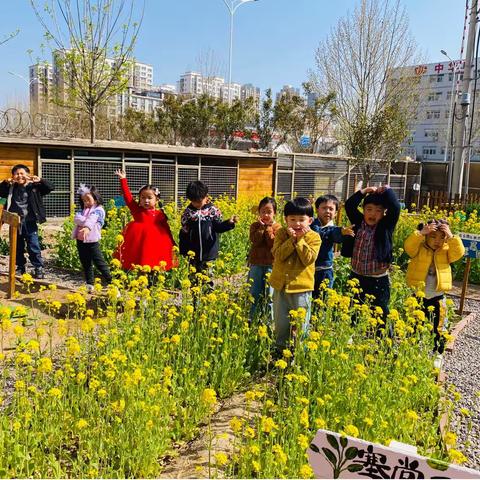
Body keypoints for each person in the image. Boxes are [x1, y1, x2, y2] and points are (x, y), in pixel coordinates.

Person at [341, 184, 401, 326]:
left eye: (378, 211)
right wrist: (364, 191)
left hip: (378, 279)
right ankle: (354, 340)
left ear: (384, 213)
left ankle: (384, 344)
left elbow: (396, 208)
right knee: (354, 311)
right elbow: (349, 205)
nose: (372, 214)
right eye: (369, 209)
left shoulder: (386, 226)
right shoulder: (358, 221)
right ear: (363, 210)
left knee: (380, 314)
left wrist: (387, 189)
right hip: (356, 276)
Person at [269, 197, 321, 352]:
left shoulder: (314, 237)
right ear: (286, 220)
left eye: (301, 220)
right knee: (281, 322)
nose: (297, 224)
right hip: (280, 286)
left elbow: (308, 259)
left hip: (301, 288)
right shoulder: (281, 234)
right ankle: (280, 350)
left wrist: (299, 241)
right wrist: (291, 240)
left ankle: (301, 351)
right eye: (292, 219)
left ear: (310, 220)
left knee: (301, 323)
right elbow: (278, 255)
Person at [404, 219, 465, 353]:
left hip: (438, 296)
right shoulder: (419, 247)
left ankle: (438, 351)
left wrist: (451, 236)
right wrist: (420, 233)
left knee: (440, 326)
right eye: (433, 236)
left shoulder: (446, 251)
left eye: (442, 237)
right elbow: (408, 247)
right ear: (426, 236)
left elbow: (459, 253)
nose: (437, 241)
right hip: (417, 296)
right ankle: (410, 351)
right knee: (413, 324)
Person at [113, 169, 176, 271]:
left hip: (156, 242)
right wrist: (123, 179)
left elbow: (167, 229)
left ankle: (152, 276)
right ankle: (139, 276)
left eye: (149, 198)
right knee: (138, 257)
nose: (146, 200)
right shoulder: (137, 210)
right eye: (143, 197)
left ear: (157, 199)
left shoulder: (160, 214)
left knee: (154, 259)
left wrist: (172, 242)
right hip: (138, 240)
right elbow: (128, 197)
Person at [0, 164, 54, 279]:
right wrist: (5, 182)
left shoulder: (34, 187)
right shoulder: (11, 187)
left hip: (29, 221)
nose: (19, 176)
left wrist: (40, 180)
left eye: (22, 173)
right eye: (16, 174)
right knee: (17, 246)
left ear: (27, 175)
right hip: (15, 222)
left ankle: (38, 267)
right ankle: (20, 267)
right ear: (13, 176)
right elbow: (0, 192)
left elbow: (50, 187)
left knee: (33, 245)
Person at [179, 180, 238, 276]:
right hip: (193, 253)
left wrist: (229, 223)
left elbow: (218, 227)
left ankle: (209, 290)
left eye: (199, 201)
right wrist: (184, 251)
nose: (197, 204)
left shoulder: (213, 211)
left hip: (209, 253)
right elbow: (184, 232)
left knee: (208, 277)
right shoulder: (187, 213)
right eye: (194, 201)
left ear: (206, 196)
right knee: (193, 277)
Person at [311, 194, 354, 295]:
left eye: (331, 209)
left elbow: (335, 236)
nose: (327, 211)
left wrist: (342, 233)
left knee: (323, 298)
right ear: (317, 209)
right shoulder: (312, 225)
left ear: (335, 213)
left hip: (325, 270)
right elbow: (319, 234)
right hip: (309, 269)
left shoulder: (334, 229)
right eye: (324, 208)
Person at [72, 184, 112, 292]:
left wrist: (87, 227)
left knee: (99, 263)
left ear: (95, 198)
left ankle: (112, 283)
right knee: (85, 262)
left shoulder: (99, 210)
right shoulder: (84, 210)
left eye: (88, 200)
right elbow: (76, 218)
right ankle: (90, 284)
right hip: (80, 240)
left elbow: (92, 219)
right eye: (83, 200)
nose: (86, 203)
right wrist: (84, 220)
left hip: (92, 241)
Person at [247, 197, 281, 320]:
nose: (266, 215)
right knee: (253, 293)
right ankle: (251, 319)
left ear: (275, 213)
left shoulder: (278, 228)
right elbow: (255, 241)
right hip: (256, 264)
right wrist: (262, 227)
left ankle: (269, 321)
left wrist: (268, 227)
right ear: (259, 213)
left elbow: (272, 243)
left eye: (269, 212)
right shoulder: (255, 226)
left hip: (271, 265)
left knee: (270, 295)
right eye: (263, 212)